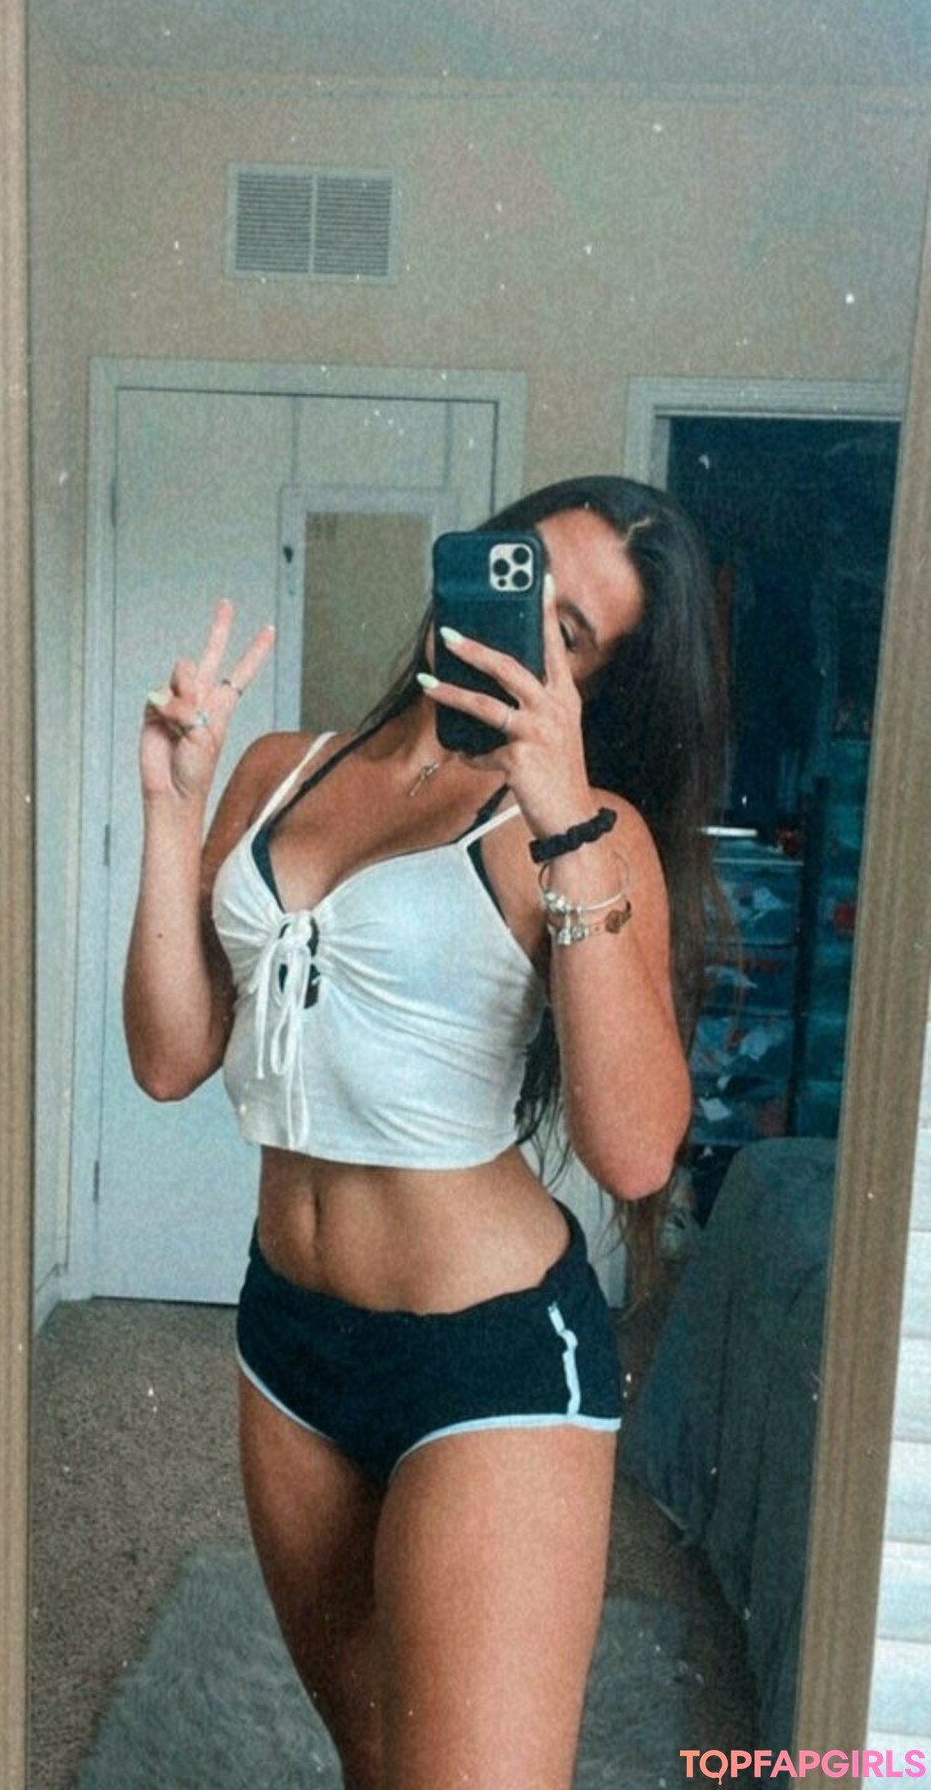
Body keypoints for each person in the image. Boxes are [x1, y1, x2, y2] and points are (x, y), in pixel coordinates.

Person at [124, 476, 726, 1790]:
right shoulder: (284, 770)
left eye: (571, 632)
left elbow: (636, 1153)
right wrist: (173, 810)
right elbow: (171, 1057)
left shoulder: (588, 833)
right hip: (289, 1339)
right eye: (524, 573)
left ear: (594, 685)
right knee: (374, 1754)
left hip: (488, 1360)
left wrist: (564, 817)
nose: (527, 622)